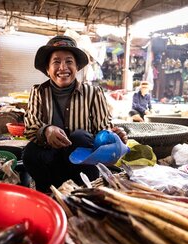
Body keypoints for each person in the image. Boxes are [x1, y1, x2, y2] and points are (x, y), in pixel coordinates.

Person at [22, 35, 127, 193]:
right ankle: (48, 192)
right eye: (56, 62)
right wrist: (47, 130)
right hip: (51, 165)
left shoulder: (93, 93)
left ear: (77, 67)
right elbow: (30, 126)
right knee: (30, 152)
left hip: (81, 165)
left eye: (69, 61)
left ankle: (82, 191)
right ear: (47, 69)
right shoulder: (39, 92)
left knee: (79, 137)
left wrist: (114, 138)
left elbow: (103, 130)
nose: (63, 67)